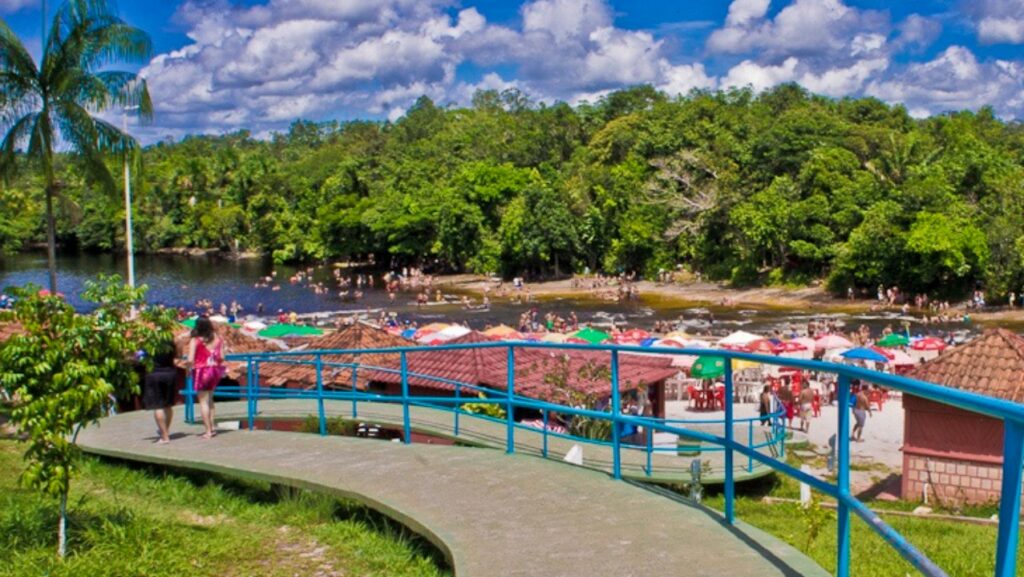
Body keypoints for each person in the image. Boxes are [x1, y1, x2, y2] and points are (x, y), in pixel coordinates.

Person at [187, 316, 225, 439]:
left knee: (203, 402)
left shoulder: (195, 340)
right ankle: (212, 427)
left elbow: (190, 359)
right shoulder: (218, 338)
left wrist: (188, 370)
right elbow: (222, 357)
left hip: (201, 371)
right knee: (210, 400)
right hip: (214, 370)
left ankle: (208, 431)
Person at [143, 340, 178, 444]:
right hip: (170, 373)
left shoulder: (149, 344)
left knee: (158, 406)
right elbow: (177, 355)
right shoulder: (171, 343)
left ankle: (164, 436)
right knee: (168, 405)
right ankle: (165, 430)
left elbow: (138, 357)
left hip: (155, 374)